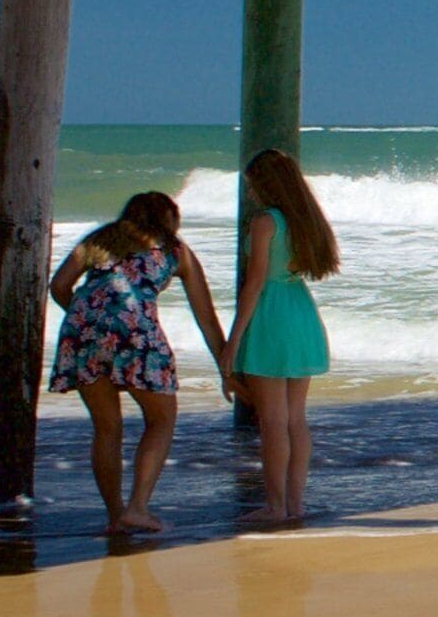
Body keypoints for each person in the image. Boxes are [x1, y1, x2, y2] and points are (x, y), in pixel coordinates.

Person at [47, 192, 230, 536]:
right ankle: (138, 508)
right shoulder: (175, 250)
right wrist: (226, 367)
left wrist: (89, 320)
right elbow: (205, 316)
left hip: (81, 332)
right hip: (136, 333)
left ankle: (116, 516)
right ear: (168, 220)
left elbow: (59, 285)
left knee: (106, 427)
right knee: (161, 419)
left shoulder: (98, 240)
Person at [229, 149, 339, 529]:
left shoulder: (265, 222)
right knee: (295, 418)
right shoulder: (305, 220)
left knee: (272, 420)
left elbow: (256, 282)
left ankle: (275, 506)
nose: (252, 193)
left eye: (253, 185)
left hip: (271, 315)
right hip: (300, 311)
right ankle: (295, 503)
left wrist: (232, 342)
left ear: (265, 184)